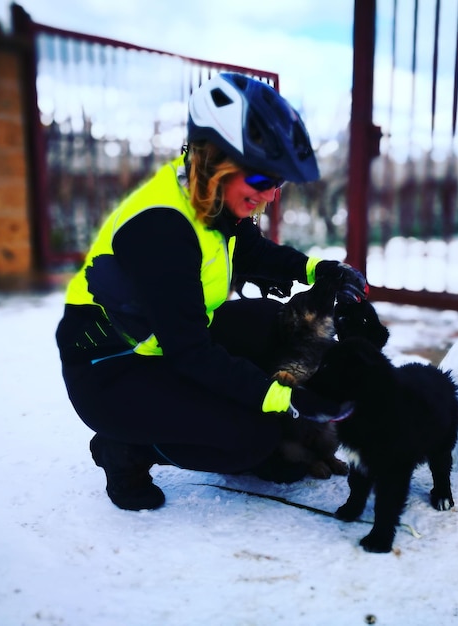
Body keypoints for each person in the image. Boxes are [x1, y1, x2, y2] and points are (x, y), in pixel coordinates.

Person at [55, 72, 367, 511]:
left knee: (270, 324)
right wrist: (288, 399)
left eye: (279, 184)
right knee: (251, 436)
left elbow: (253, 251)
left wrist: (321, 269)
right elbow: (189, 351)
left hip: (161, 344)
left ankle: (233, 434)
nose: (271, 196)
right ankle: (124, 449)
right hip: (113, 370)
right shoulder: (160, 226)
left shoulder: (211, 201)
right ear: (215, 161)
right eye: (262, 181)